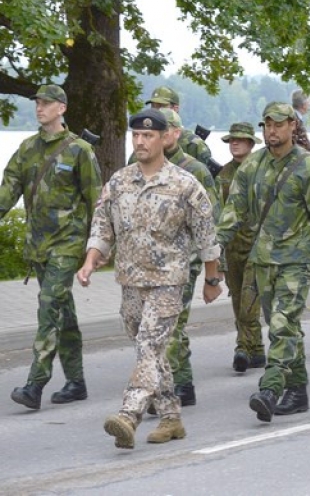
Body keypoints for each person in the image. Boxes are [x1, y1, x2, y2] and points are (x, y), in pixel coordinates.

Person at [77, 108, 221, 450]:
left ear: (163, 138)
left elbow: (206, 236)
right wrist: (90, 259)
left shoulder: (185, 185)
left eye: (148, 136)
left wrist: (212, 280)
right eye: (136, 135)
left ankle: (129, 414)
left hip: (168, 281)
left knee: (148, 346)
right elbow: (102, 224)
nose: (140, 141)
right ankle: (171, 418)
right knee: (151, 351)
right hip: (130, 280)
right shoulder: (119, 181)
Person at [216, 102, 310, 422]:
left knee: (283, 325)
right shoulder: (252, 165)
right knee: (284, 327)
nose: (272, 130)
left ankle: (270, 388)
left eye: (279, 124)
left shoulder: (309, 167)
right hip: (263, 259)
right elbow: (234, 210)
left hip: (297, 258)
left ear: (292, 128)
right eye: (267, 124)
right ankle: (298, 392)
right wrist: (214, 247)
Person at [7, 85, 102, 411]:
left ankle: (36, 383)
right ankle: (76, 381)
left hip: (67, 244)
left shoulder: (79, 151)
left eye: (46, 103)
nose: (39, 108)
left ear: (61, 108)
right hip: (39, 247)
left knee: (49, 309)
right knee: (64, 312)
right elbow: (8, 191)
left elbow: (97, 203)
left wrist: (97, 250)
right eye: (37, 103)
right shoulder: (27, 149)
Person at [158, 109, 222, 407]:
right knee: (162, 325)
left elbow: (210, 220)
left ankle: (169, 389)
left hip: (185, 260)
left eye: (166, 130)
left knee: (171, 322)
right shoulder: (140, 164)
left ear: (177, 133)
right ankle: (183, 383)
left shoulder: (194, 169)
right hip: (149, 261)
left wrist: (213, 274)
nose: (160, 136)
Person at [217, 122, 266, 373]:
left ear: (250, 144)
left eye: (240, 140)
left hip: (256, 245)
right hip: (232, 247)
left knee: (249, 299)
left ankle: (242, 347)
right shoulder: (223, 174)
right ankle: (256, 349)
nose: (235, 143)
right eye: (231, 140)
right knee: (238, 299)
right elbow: (219, 211)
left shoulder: (261, 170)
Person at [143, 86, 212, 166]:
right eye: (153, 107)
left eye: (161, 106)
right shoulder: (144, 143)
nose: (156, 111)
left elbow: (204, 175)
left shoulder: (194, 145)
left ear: (175, 109)